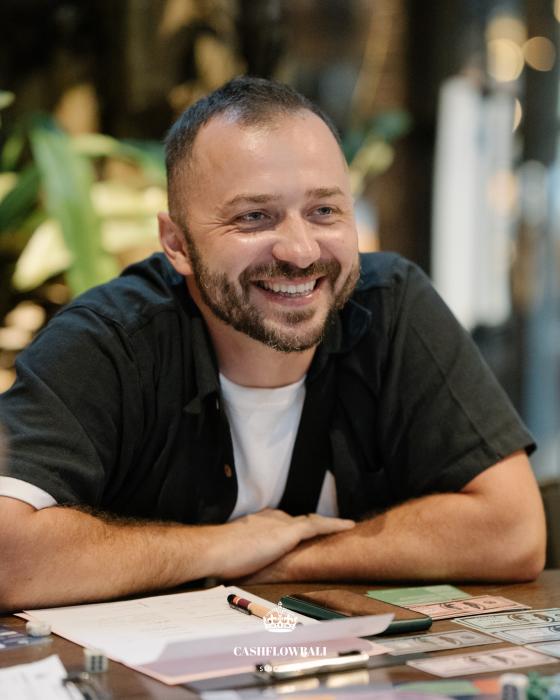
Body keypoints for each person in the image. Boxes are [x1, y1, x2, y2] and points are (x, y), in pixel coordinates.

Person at [0, 77, 546, 611]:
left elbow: (513, 531)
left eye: (324, 211)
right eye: (254, 217)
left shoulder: (391, 307)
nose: (301, 251)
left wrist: (281, 559)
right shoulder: (111, 340)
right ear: (177, 243)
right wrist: (219, 547)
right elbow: (7, 557)